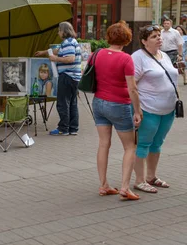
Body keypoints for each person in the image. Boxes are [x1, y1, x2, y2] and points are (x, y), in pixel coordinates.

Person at [90, 22, 142, 201]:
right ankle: (125, 187)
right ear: (127, 39)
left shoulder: (97, 54)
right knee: (130, 146)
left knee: (104, 144)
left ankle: (103, 184)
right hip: (119, 105)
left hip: (98, 102)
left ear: (109, 37)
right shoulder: (126, 59)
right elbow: (132, 88)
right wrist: (137, 111)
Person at [132, 25, 178, 194]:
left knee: (157, 143)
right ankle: (139, 180)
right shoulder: (138, 57)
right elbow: (131, 85)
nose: (159, 38)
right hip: (148, 109)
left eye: (159, 35)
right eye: (153, 36)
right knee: (143, 143)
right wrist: (136, 109)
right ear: (144, 41)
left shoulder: (164, 55)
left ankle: (151, 176)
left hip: (168, 109)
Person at [35, 22, 82, 136]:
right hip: (74, 77)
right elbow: (57, 50)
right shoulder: (71, 42)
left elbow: (70, 58)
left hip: (67, 76)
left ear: (64, 31)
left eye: (59, 30)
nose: (58, 32)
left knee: (62, 103)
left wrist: (55, 59)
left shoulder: (68, 43)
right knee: (72, 103)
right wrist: (44, 52)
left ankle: (63, 128)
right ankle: (73, 128)